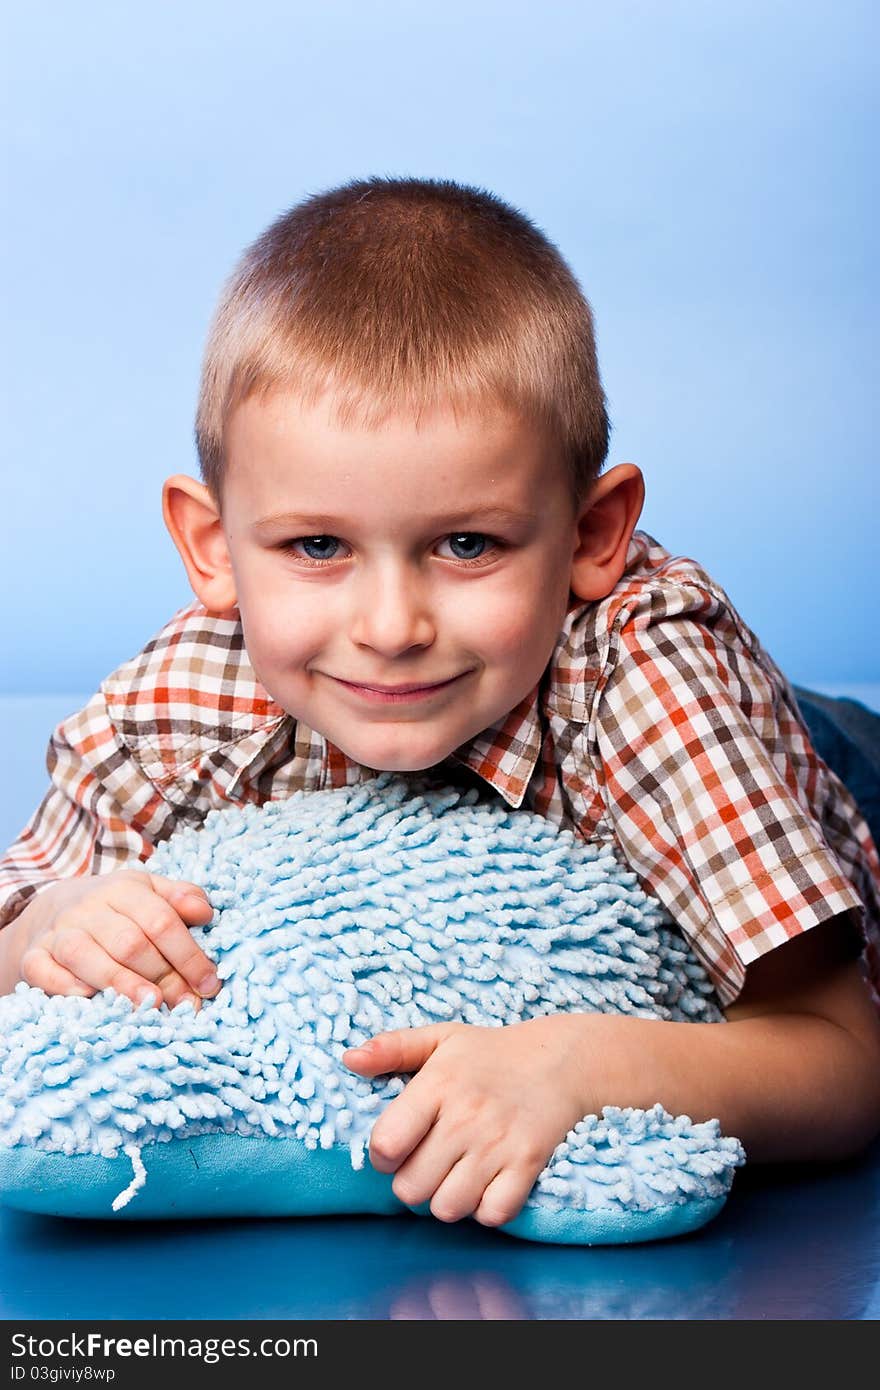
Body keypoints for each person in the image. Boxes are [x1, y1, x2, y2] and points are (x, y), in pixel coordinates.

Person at [2, 176, 879, 1232]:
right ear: (211, 545)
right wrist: (53, 929)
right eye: (316, 547)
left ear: (592, 536)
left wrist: (586, 1061)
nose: (389, 624)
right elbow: (16, 919)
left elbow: (841, 1057)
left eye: (467, 544)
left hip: (828, 764)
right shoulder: (181, 702)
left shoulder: (648, 683)